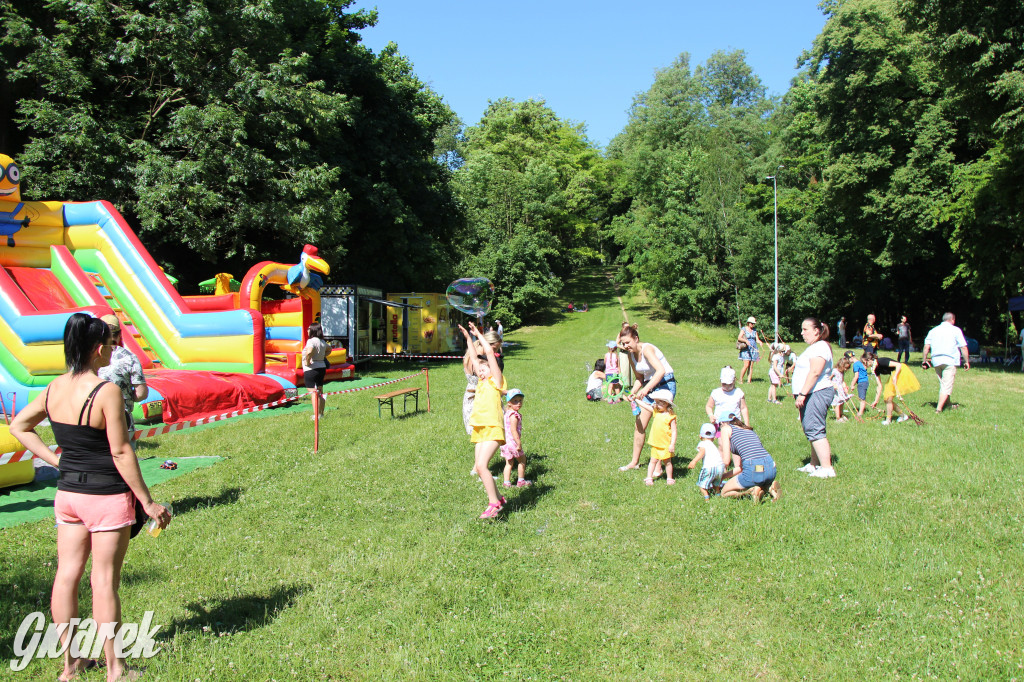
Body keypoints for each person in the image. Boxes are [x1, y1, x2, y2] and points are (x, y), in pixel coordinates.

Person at [9, 313, 171, 682]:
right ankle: (116, 668)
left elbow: (20, 425)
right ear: (98, 349)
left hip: (68, 495)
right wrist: (147, 501)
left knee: (66, 577)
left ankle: (71, 664)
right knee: (103, 581)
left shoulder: (53, 388)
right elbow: (121, 452)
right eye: (110, 345)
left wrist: (54, 459)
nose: (113, 351)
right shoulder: (106, 391)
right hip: (105, 496)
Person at [461, 321, 508, 519]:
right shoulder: (481, 380)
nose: (479, 372)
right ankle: (500, 498)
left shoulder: (496, 380)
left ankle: (494, 503)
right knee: (479, 468)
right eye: (478, 370)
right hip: (481, 428)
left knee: (481, 467)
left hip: (493, 427)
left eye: (483, 369)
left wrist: (481, 336)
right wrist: (468, 337)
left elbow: (488, 353)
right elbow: (474, 356)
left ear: (493, 367)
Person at [617, 323, 676, 471]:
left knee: (660, 424)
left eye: (628, 342)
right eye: (623, 343)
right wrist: (634, 392)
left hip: (665, 384)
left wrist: (646, 390)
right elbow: (639, 379)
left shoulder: (647, 349)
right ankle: (634, 462)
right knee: (640, 425)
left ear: (636, 338)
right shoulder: (631, 355)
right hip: (650, 385)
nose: (626, 346)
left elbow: (661, 371)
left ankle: (660, 465)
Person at [792, 317, 837, 479]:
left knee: (815, 428)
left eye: (805, 329)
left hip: (816, 392)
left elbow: (815, 372)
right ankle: (814, 464)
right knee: (810, 428)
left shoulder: (820, 347)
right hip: (812, 392)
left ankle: (827, 468)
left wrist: (803, 393)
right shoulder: (815, 347)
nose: (802, 333)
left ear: (816, 331)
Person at [97, 314, 147, 446]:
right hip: (123, 419)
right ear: (119, 335)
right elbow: (141, 393)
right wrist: (127, 398)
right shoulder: (130, 358)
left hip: (95, 419)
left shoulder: (90, 357)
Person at [718, 411, 781, 503]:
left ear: (722, 423)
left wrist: (715, 475)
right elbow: (740, 468)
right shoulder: (748, 430)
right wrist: (723, 477)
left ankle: (750, 491)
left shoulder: (726, 429)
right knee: (758, 475)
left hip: (753, 467)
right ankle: (769, 487)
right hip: (770, 466)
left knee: (724, 493)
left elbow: (726, 461)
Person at [921, 312, 970, 413]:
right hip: (949, 360)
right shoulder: (956, 330)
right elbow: (963, 347)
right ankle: (938, 409)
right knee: (946, 385)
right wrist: (966, 361)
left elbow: (926, 347)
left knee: (943, 383)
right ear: (952, 320)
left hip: (936, 361)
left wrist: (924, 360)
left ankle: (948, 404)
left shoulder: (933, 330)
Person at [866, 352, 921, 425]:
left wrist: (895, 376)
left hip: (900, 371)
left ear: (869, 359)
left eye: (865, 362)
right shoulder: (875, 369)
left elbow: (898, 365)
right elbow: (879, 385)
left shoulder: (881, 361)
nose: (865, 364)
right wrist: (876, 400)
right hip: (894, 374)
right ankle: (902, 415)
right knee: (887, 399)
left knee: (888, 398)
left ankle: (888, 420)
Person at [643, 389, 677, 485]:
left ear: (666, 403)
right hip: (656, 443)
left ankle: (669, 478)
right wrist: (636, 400)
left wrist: (672, 444)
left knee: (668, 462)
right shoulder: (656, 412)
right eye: (656, 402)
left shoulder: (671, 417)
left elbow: (674, 432)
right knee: (653, 461)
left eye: (659, 403)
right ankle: (649, 477)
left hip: (665, 443)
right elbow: (646, 406)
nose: (656, 405)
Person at [500, 389, 530, 488]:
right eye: (515, 401)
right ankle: (521, 481)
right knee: (522, 460)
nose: (519, 403)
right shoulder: (514, 415)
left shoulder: (507, 413)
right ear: (509, 402)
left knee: (509, 463)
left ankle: (506, 483)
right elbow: (513, 430)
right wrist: (518, 443)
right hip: (513, 443)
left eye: (520, 400)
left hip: (505, 443)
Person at [688, 423, 724, 500]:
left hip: (709, 467)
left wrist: (694, 461)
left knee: (701, 484)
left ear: (700, 436)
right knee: (716, 483)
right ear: (714, 438)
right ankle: (717, 494)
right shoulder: (713, 445)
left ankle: (706, 498)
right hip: (720, 467)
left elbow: (702, 452)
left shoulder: (702, 443)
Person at [301, 323, 328, 420]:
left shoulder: (311, 341)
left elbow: (309, 351)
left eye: (308, 328)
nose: (307, 330)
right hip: (321, 367)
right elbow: (329, 349)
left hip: (311, 369)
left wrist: (308, 361)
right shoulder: (322, 341)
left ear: (313, 330)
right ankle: (321, 414)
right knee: (320, 391)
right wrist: (322, 356)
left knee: (313, 392)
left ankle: (316, 415)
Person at [737, 316, 764, 383]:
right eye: (751, 323)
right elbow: (739, 338)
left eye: (753, 323)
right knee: (746, 365)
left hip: (753, 348)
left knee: (751, 366)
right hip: (746, 348)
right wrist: (746, 341)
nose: (752, 325)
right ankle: (741, 380)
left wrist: (760, 342)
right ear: (748, 323)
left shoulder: (755, 330)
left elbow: (757, 339)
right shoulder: (744, 329)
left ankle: (749, 381)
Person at [848, 352, 871, 420]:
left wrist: (852, 385)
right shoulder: (860, 363)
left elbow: (856, 376)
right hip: (865, 382)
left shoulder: (856, 365)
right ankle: (861, 411)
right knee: (862, 398)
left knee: (862, 399)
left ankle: (860, 413)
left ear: (851, 358)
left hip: (862, 382)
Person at [830, 357, 853, 422]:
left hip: (840, 389)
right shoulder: (834, 371)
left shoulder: (842, 372)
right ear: (841, 365)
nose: (845, 369)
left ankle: (841, 414)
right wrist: (833, 384)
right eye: (845, 367)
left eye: (847, 368)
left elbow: (842, 381)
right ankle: (838, 417)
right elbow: (828, 379)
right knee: (838, 403)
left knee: (842, 402)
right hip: (836, 390)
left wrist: (845, 387)